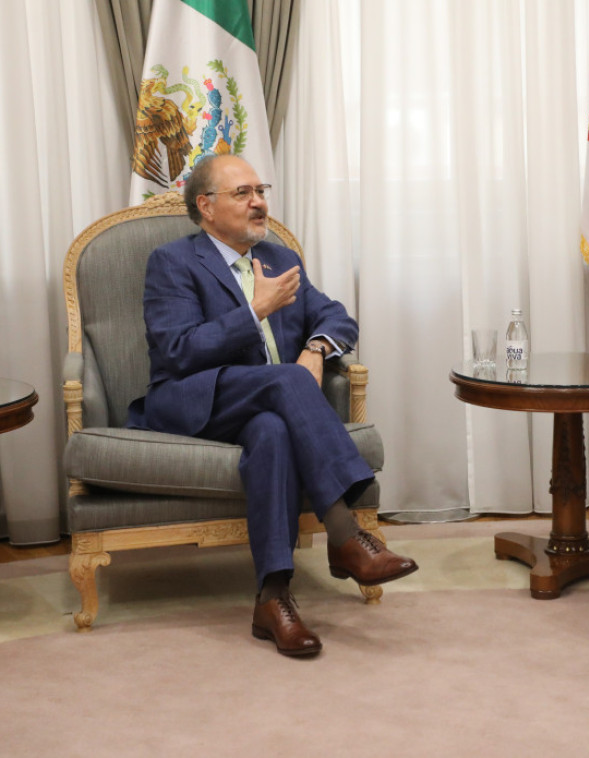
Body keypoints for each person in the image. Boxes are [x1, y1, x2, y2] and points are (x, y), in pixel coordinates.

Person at [128, 154, 418, 658]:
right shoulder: (173, 262)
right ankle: (346, 535)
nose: (258, 201)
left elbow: (337, 318)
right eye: (242, 193)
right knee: (287, 382)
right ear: (206, 206)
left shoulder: (280, 259)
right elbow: (178, 351)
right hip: (194, 399)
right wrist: (255, 309)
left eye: (260, 190)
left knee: (273, 432)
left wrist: (316, 349)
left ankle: (273, 597)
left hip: (266, 406)